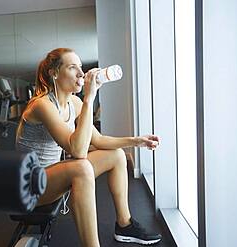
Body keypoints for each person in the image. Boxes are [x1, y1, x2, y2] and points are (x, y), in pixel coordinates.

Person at [16, 48, 162, 246]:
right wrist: (89, 98)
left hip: (52, 177)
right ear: (55, 73)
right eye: (72, 67)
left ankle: (125, 225)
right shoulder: (42, 105)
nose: (81, 73)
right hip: (31, 186)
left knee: (117, 155)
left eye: (81, 67)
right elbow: (77, 150)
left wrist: (137, 141)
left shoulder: (74, 103)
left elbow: (99, 140)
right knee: (81, 166)